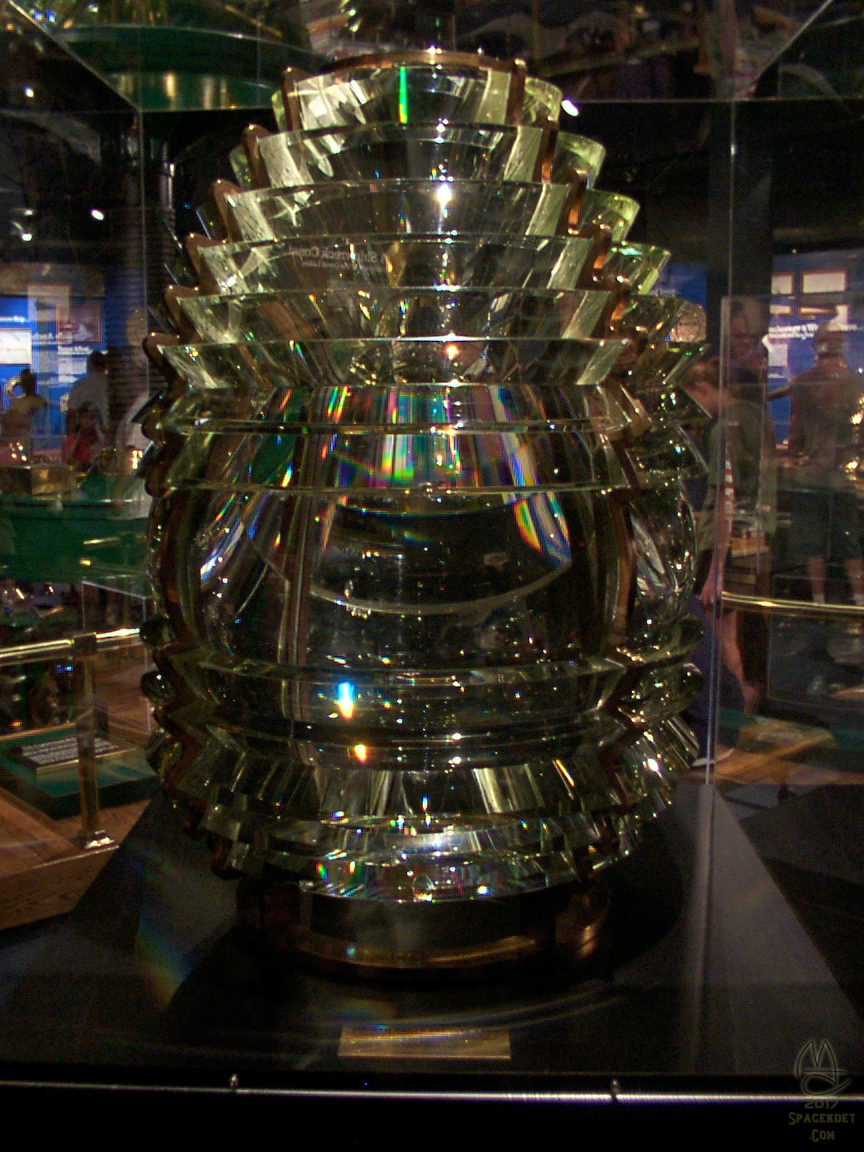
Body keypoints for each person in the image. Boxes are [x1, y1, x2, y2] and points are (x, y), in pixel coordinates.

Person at [787, 326, 864, 607]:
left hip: (811, 477)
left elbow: (796, 434)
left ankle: (818, 602)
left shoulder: (803, 383)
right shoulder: (856, 384)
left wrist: (795, 458)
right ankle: (859, 601)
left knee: (814, 544)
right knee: (849, 543)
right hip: (843, 477)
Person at [66, 350, 108, 433]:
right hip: (111, 431)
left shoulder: (79, 386)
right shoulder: (113, 385)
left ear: (89, 366)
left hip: (87, 436)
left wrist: (70, 438)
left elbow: (71, 414)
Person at [63, 402, 104, 469]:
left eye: (91, 417)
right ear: (79, 420)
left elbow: (106, 452)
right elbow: (67, 460)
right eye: (84, 418)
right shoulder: (71, 440)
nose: (88, 421)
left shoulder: (100, 439)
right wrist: (77, 440)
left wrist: (98, 432)